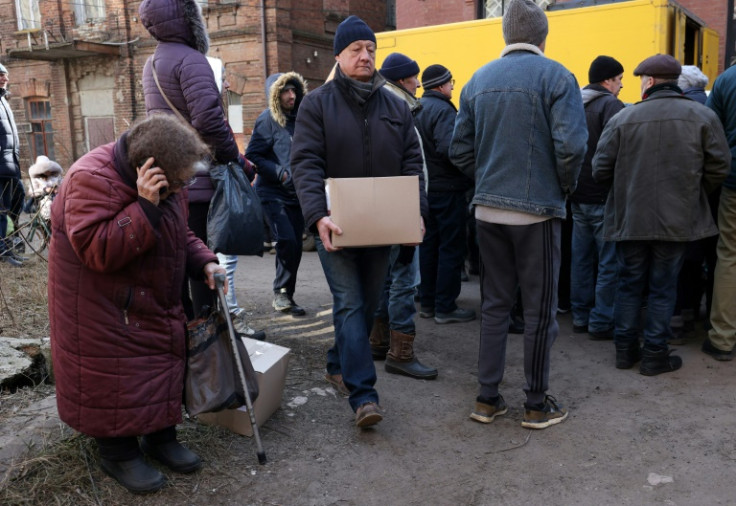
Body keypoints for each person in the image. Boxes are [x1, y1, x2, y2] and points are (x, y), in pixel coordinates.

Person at [48, 114, 225, 494]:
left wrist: (204, 260)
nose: (182, 188)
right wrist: (144, 207)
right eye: (178, 182)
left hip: (150, 297)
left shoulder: (166, 180)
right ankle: (118, 451)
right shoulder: (87, 180)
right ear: (148, 169)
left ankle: (161, 436)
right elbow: (97, 251)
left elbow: (180, 233)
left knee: (160, 359)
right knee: (113, 375)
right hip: (101, 308)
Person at [450, 0, 587, 429]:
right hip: (537, 214)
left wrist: (488, 177)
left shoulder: (477, 80)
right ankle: (535, 403)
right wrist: (561, 187)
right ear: (543, 36)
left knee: (494, 306)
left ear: (505, 35)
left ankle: (487, 399)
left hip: (488, 212)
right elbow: (572, 147)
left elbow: (459, 149)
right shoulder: (557, 77)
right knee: (539, 311)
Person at [291, 15, 428, 428]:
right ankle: (364, 396)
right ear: (339, 56)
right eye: (356, 49)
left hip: (384, 225)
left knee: (367, 306)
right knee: (350, 303)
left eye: (370, 49)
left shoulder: (395, 106)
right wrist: (318, 215)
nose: (365, 56)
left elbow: (412, 163)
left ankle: (337, 361)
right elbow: (306, 163)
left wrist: (415, 214)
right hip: (339, 224)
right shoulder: (317, 104)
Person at [592, 54, 729, 374]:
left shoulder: (623, 118)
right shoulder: (701, 116)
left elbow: (600, 170)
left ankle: (625, 351)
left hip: (631, 219)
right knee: (663, 286)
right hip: (677, 218)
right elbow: (720, 166)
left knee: (629, 284)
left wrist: (627, 187)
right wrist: (694, 194)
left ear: (649, 81)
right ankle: (654, 354)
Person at [139, 0, 250, 320]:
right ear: (188, 19)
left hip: (168, 179)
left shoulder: (152, 63)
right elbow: (209, 122)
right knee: (203, 262)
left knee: (178, 261)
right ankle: (209, 341)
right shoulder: (192, 60)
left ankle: (185, 336)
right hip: (198, 179)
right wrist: (235, 158)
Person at [368, 52, 437, 380]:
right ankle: (401, 352)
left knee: (387, 277)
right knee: (403, 280)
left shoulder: (382, 104)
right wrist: (415, 209)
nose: (418, 82)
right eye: (413, 77)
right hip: (400, 204)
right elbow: (408, 164)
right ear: (400, 81)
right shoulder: (396, 109)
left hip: (387, 205)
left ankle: (380, 342)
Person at [569, 56, 625, 340]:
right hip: (603, 196)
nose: (621, 85)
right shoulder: (610, 105)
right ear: (607, 81)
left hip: (577, 194)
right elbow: (619, 150)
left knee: (580, 260)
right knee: (608, 263)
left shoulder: (576, 103)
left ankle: (579, 316)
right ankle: (601, 321)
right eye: (618, 80)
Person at [416, 64, 476, 325]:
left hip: (427, 191)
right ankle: (445, 307)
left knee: (429, 248)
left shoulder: (418, 108)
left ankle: (428, 302)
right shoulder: (442, 110)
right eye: (450, 82)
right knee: (451, 249)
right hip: (448, 190)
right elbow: (450, 149)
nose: (453, 86)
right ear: (441, 85)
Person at [246, 72, 308, 317]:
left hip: (298, 195)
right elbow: (253, 155)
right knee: (287, 241)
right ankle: (280, 293)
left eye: (294, 90)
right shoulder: (267, 120)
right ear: (275, 95)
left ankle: (287, 295)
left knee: (297, 247)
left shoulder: (302, 119)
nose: (291, 95)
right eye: (285, 91)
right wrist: (280, 173)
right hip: (272, 193)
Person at [702, 62, 736, 361]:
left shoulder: (727, 80)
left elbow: (713, 133)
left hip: (735, 182)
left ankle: (723, 338)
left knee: (729, 256)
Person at [0, 63, 26, 267]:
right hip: (2, 167)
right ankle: (3, 251)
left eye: (5, 75)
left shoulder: (3, 100)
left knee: (18, 198)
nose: (4, 78)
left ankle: (11, 244)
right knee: (1, 210)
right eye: (0, 75)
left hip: (10, 166)